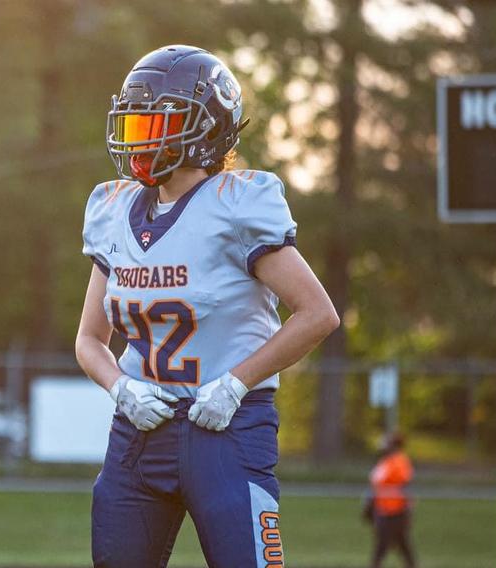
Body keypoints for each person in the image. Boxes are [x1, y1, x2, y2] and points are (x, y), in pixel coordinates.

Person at [75, 44, 340, 568]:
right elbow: (89, 339)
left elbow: (317, 313)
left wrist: (237, 381)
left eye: (153, 124)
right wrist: (120, 387)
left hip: (226, 429)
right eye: (133, 126)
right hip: (139, 432)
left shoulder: (238, 203)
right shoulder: (114, 208)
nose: (138, 141)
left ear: (202, 130)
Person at [367, 432, 416, 568]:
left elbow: (404, 483)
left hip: (395, 510)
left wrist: (408, 506)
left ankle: (376, 564)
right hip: (383, 508)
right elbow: (376, 484)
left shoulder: (399, 461)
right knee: (398, 541)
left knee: (388, 541)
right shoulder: (385, 461)